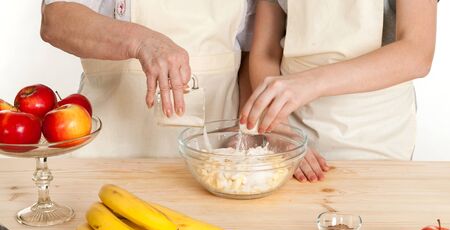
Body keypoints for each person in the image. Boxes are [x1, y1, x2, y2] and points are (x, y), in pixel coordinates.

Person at [240, 0, 438, 182]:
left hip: (376, 132)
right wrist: (282, 132)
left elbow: (417, 54)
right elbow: (266, 51)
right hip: (295, 125)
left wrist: (311, 83)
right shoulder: (287, 134)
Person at [40, 0, 255, 157]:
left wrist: (245, 132)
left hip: (215, 152)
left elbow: (251, 52)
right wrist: (141, 42)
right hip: (111, 150)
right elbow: (56, 19)